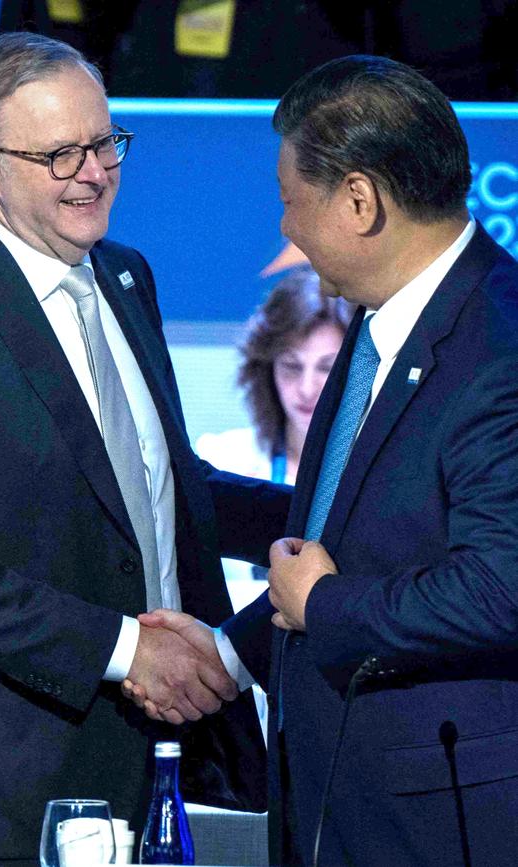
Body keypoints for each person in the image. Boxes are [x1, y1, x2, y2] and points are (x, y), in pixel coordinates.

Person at [0, 32, 291, 867]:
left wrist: (327, 505)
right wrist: (127, 648)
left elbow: (166, 486)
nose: (95, 172)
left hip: (172, 758)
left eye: (104, 143)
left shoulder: (127, 275)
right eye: (61, 155)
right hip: (10, 782)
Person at [126, 55, 518, 866]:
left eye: (290, 202)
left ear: (360, 199)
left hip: (441, 825)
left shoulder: (500, 343)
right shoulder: (380, 324)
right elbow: (348, 536)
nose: (286, 231)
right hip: (333, 805)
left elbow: (502, 584)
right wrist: (232, 652)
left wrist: (331, 606)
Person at [197, 268, 351, 488]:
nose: (306, 389)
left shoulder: (384, 476)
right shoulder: (223, 462)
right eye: (292, 366)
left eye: (327, 368)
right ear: (267, 368)